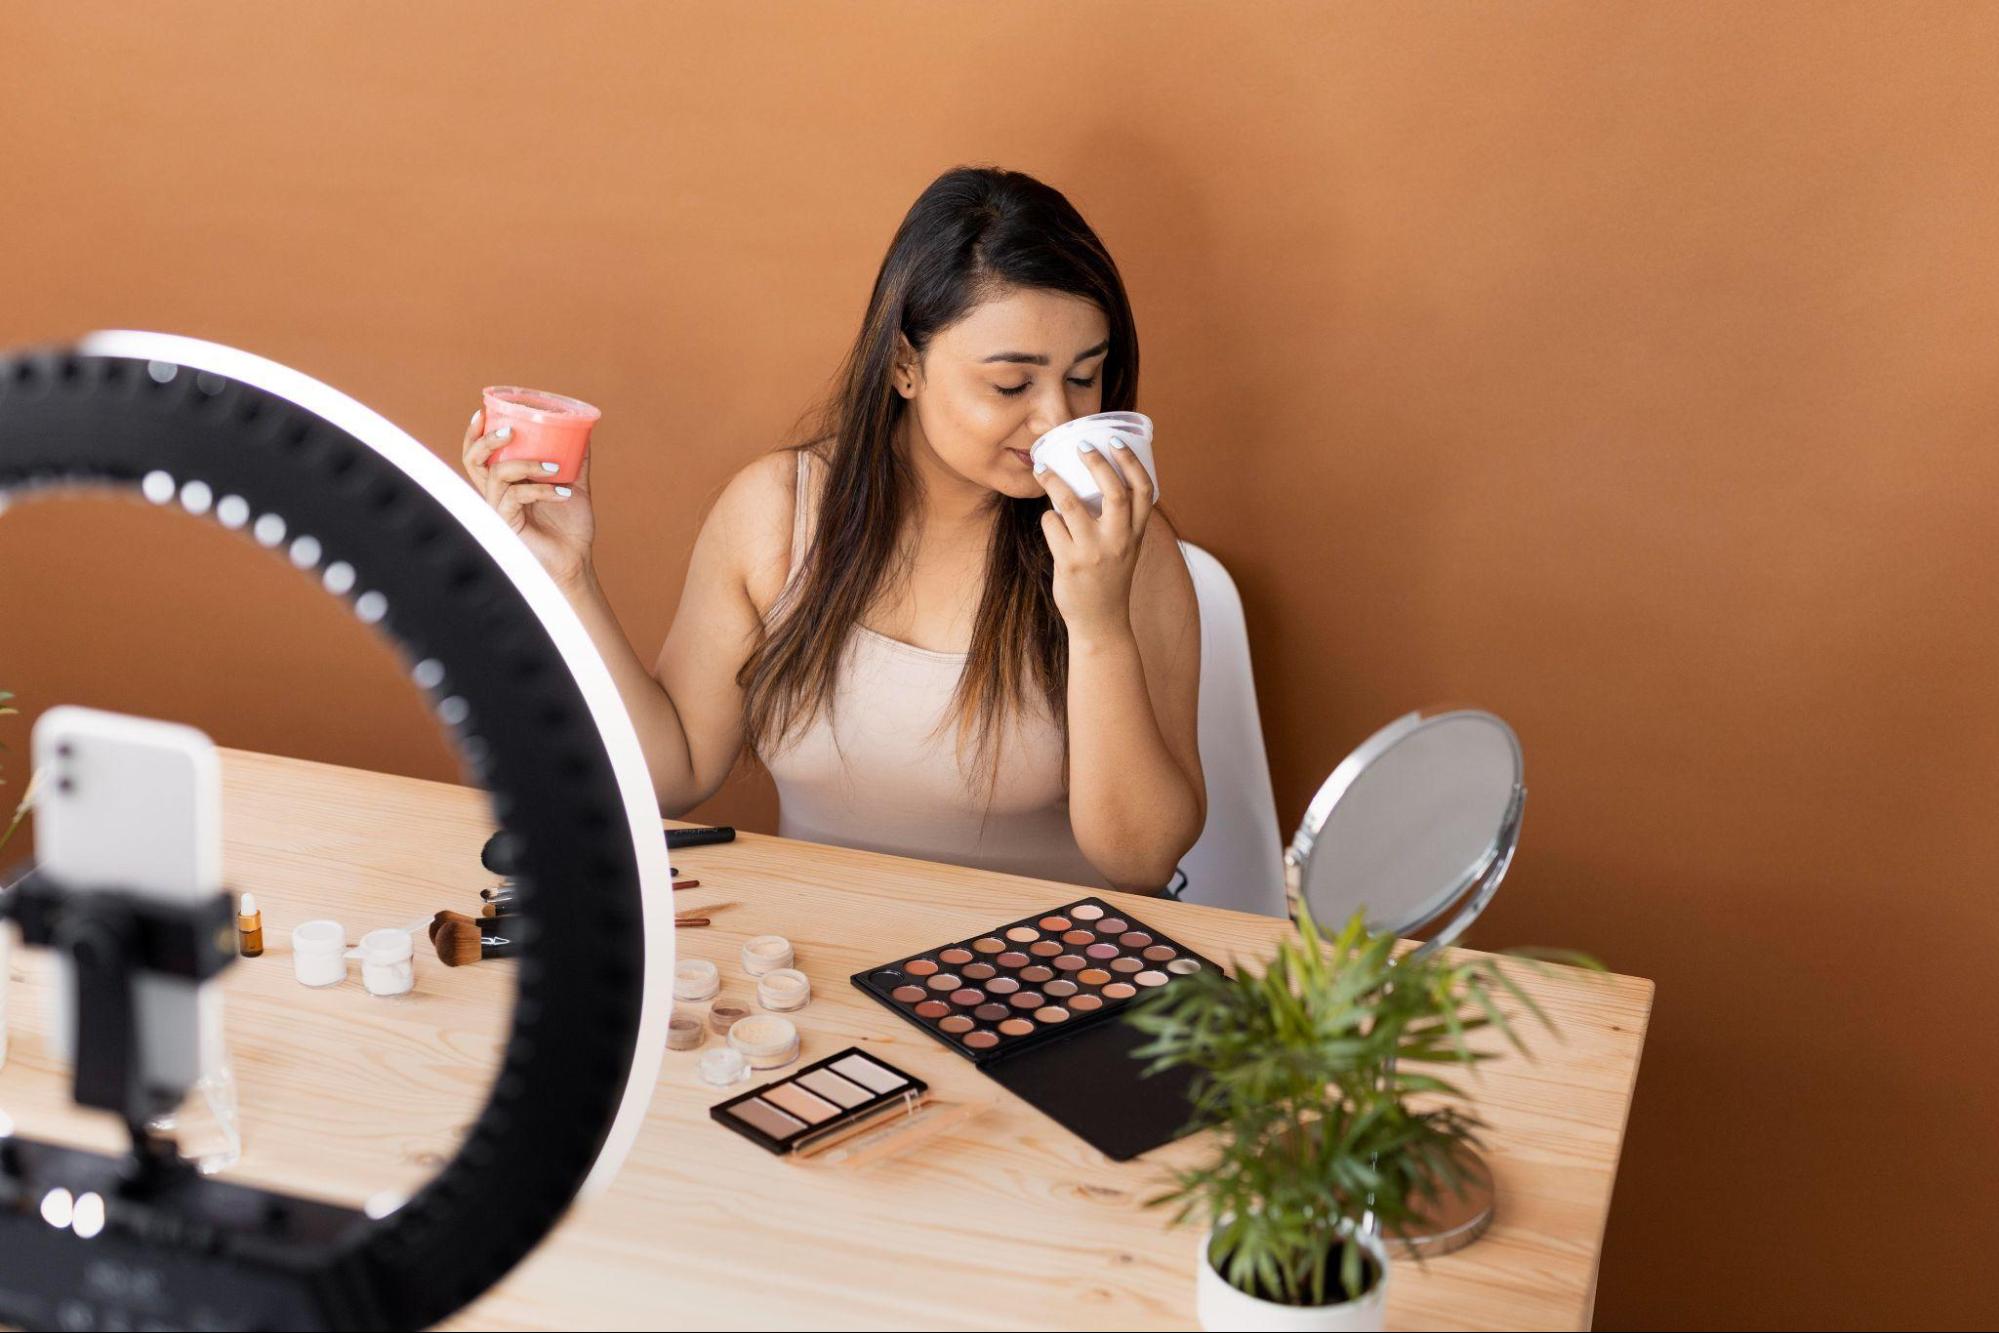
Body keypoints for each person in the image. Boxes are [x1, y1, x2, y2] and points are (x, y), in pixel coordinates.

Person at [461, 166, 1203, 892]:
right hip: (826, 965)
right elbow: (673, 773)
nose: (1058, 419)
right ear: (905, 364)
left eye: (1083, 376)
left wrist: (1099, 621)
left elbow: (1138, 860)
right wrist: (567, 577)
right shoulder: (777, 514)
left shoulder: (1121, 545)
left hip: (1039, 980)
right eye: (1010, 384)